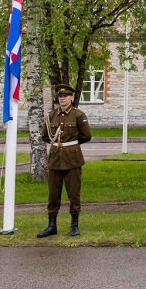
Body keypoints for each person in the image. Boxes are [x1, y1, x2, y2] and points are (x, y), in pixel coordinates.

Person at [37, 84, 92, 238]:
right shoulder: (51, 116)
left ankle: (74, 224)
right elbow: (45, 136)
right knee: (53, 194)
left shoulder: (78, 115)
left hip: (72, 159)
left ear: (72, 97)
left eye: (66, 95)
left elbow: (86, 135)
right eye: (60, 96)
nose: (62, 98)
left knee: (73, 193)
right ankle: (52, 225)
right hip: (55, 159)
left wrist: (71, 146)